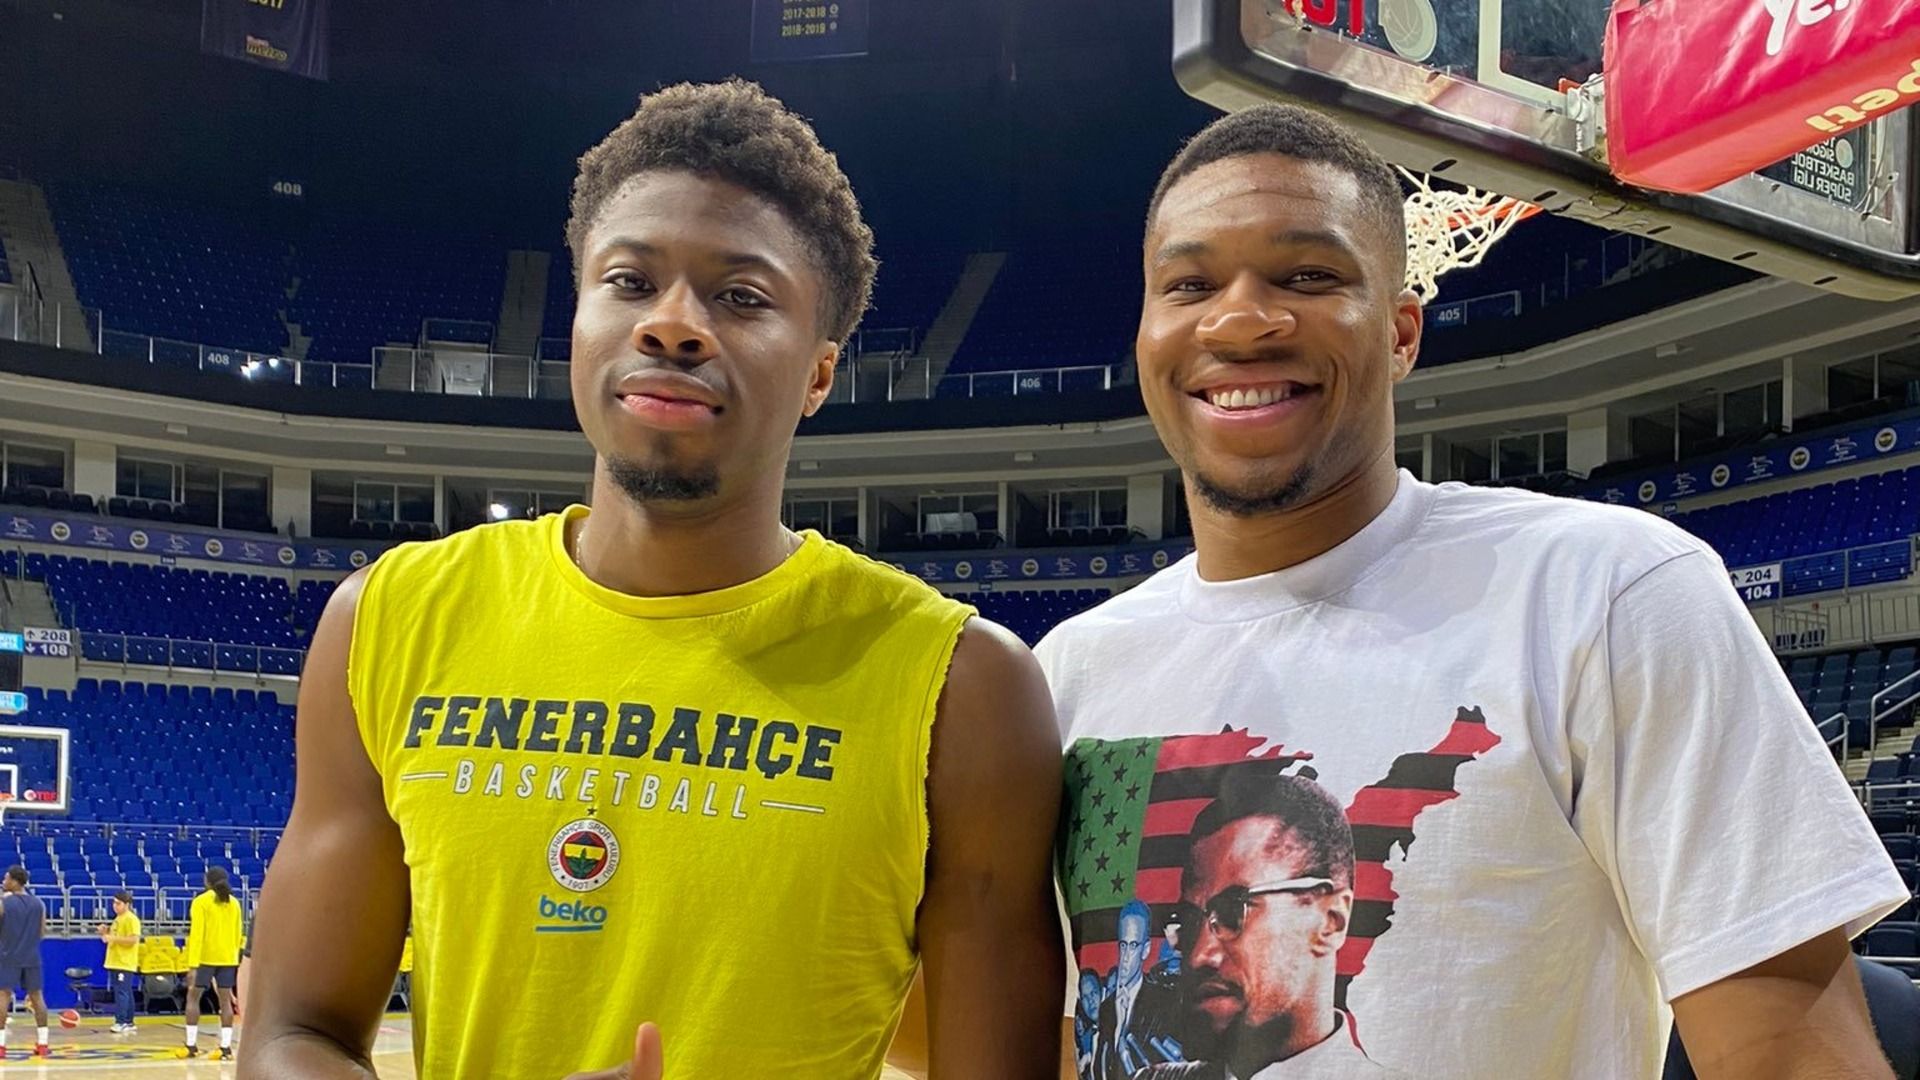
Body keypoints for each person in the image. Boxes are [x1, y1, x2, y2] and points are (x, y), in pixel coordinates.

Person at [1041, 102, 1907, 1078]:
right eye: (1191, 285)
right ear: (1146, 337)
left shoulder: (1608, 593)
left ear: (1402, 332)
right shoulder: (1069, 672)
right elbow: (1065, 1039)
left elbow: (1793, 1054)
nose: (1240, 319)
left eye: (1308, 276)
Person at [242, 79, 1062, 1078]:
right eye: (630, 282)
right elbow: (288, 1037)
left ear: (819, 373)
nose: (673, 325)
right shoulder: (389, 618)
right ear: (578, 319)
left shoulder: (962, 686)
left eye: (741, 297)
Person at [183, 866, 244, 1059]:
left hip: (205, 958)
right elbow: (238, 933)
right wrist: (233, 957)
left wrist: (193, 965)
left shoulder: (201, 901)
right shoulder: (235, 903)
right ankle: (225, 1048)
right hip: (228, 958)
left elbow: (197, 934)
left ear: (207, 881)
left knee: (193, 998)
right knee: (225, 1002)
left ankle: (191, 1045)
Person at [0, 867, 47, 1058]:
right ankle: (43, 1044)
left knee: (3, 996)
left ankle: (1, 1046)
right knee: (37, 998)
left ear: (14, 881)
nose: (3, 881)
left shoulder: (4, 903)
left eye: (6, 878)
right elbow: (42, 932)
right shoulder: (39, 903)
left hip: (8, 955)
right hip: (32, 955)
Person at [98, 890, 141, 1034]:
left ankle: (121, 1021)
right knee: (124, 991)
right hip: (115, 960)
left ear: (127, 904)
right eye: (114, 903)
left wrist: (112, 938)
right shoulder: (118, 919)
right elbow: (114, 936)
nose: (115, 906)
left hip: (124, 962)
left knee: (122, 992)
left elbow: (133, 939)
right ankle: (128, 1021)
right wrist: (105, 932)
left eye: (118, 903)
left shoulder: (131, 919)